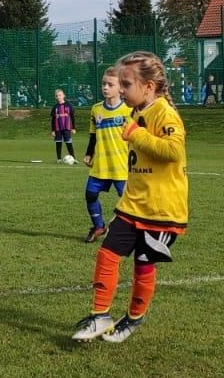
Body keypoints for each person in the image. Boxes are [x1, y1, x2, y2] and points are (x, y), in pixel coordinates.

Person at [72, 51, 188, 344]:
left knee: (142, 265)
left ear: (148, 86)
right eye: (120, 84)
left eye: (126, 84)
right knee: (107, 254)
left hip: (162, 211)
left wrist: (136, 134)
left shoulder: (164, 113)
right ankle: (100, 316)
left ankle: (134, 319)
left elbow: (173, 151)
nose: (121, 89)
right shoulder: (137, 112)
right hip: (133, 206)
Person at [81, 67, 131, 243]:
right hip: (101, 163)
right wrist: (88, 154)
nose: (105, 87)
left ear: (121, 88)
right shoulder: (96, 110)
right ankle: (98, 226)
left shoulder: (128, 110)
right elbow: (93, 135)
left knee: (127, 200)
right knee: (90, 195)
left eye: (110, 84)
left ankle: (130, 232)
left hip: (121, 164)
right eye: (104, 84)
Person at [50, 89, 75, 161]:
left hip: (67, 128)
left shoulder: (69, 105)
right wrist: (53, 130)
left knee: (68, 143)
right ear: (56, 97)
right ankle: (59, 159)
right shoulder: (55, 107)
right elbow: (53, 119)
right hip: (58, 128)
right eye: (57, 96)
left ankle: (73, 158)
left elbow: (72, 117)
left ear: (63, 95)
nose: (59, 97)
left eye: (60, 95)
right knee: (58, 143)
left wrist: (73, 128)